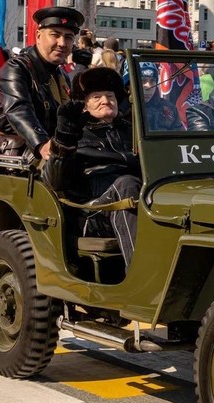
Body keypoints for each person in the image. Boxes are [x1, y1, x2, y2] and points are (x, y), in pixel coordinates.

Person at [42, 67, 141, 270]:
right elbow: (54, 181)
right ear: (84, 105)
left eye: (110, 95)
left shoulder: (132, 130)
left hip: (136, 199)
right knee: (126, 184)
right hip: (92, 211)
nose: (105, 100)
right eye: (96, 96)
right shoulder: (76, 133)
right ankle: (141, 276)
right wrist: (65, 140)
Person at [0, 6, 84, 160]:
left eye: (69, 37)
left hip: (47, 152)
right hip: (13, 156)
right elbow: (19, 109)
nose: (62, 43)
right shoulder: (17, 69)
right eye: (55, 35)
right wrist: (41, 143)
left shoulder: (60, 74)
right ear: (38, 36)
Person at [140, 62, 183, 131]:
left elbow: (181, 139)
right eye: (142, 80)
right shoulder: (121, 110)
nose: (149, 86)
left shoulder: (169, 108)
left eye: (152, 81)